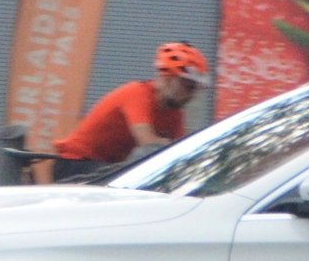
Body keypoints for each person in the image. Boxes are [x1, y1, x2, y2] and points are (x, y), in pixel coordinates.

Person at [51, 43, 208, 178]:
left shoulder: (174, 113)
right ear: (168, 79)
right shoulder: (137, 94)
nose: (191, 96)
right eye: (188, 88)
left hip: (105, 166)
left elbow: (180, 149)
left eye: (194, 90)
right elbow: (148, 143)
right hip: (75, 164)